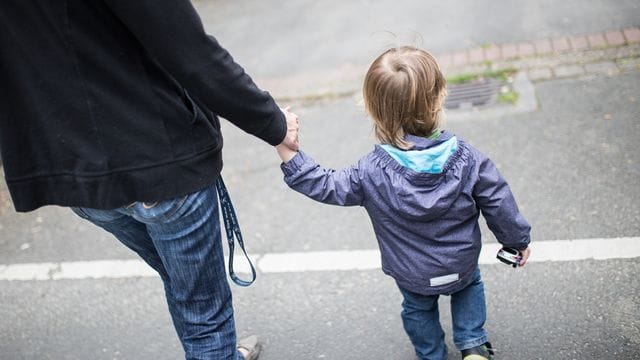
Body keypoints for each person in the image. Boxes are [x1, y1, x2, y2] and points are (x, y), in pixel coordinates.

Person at [0, 1, 299, 359]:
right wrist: (273, 123)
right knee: (203, 312)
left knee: (184, 285)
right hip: (158, 159)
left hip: (75, 174)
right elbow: (192, 52)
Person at [275, 46, 531, 360]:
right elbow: (499, 202)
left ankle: (431, 354)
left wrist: (287, 148)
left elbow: (326, 184)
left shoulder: (368, 172)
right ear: (439, 99)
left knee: (417, 309)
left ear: (372, 109)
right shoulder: (469, 158)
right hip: (460, 263)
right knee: (469, 287)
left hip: (412, 273)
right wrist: (517, 241)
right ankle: (472, 343)